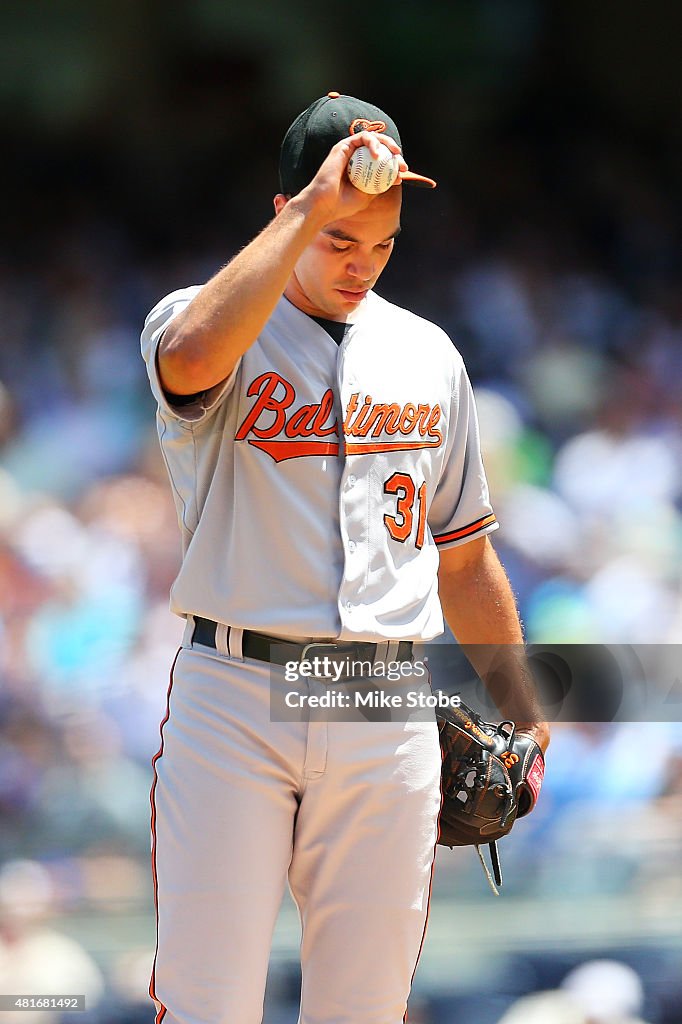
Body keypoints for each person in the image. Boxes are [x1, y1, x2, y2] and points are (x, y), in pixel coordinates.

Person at [140, 91, 549, 1024]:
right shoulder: (204, 317)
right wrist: (311, 215)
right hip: (236, 691)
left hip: (381, 699)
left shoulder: (428, 354)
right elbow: (192, 360)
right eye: (340, 239)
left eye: (382, 243)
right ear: (288, 212)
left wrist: (528, 715)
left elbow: (465, 558)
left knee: (363, 1011)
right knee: (208, 1006)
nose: (362, 262)